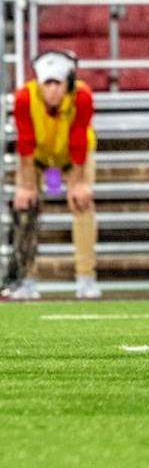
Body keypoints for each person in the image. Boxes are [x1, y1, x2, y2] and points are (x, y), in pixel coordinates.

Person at [5, 52, 100, 302]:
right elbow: (25, 141)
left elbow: (79, 138)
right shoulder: (25, 97)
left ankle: (86, 278)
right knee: (25, 208)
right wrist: (26, 185)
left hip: (71, 156)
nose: (53, 90)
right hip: (37, 155)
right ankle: (26, 278)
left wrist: (78, 183)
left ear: (68, 82)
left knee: (83, 205)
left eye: (58, 83)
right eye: (47, 83)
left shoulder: (82, 97)